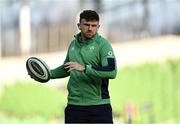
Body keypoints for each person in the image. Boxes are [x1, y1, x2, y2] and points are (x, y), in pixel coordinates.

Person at [50, 10, 117, 123]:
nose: (90, 28)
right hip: (74, 106)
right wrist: (48, 74)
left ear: (98, 26)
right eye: (86, 24)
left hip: (99, 107)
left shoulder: (103, 45)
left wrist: (85, 68)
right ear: (79, 25)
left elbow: (111, 71)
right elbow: (67, 67)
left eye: (94, 25)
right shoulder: (73, 45)